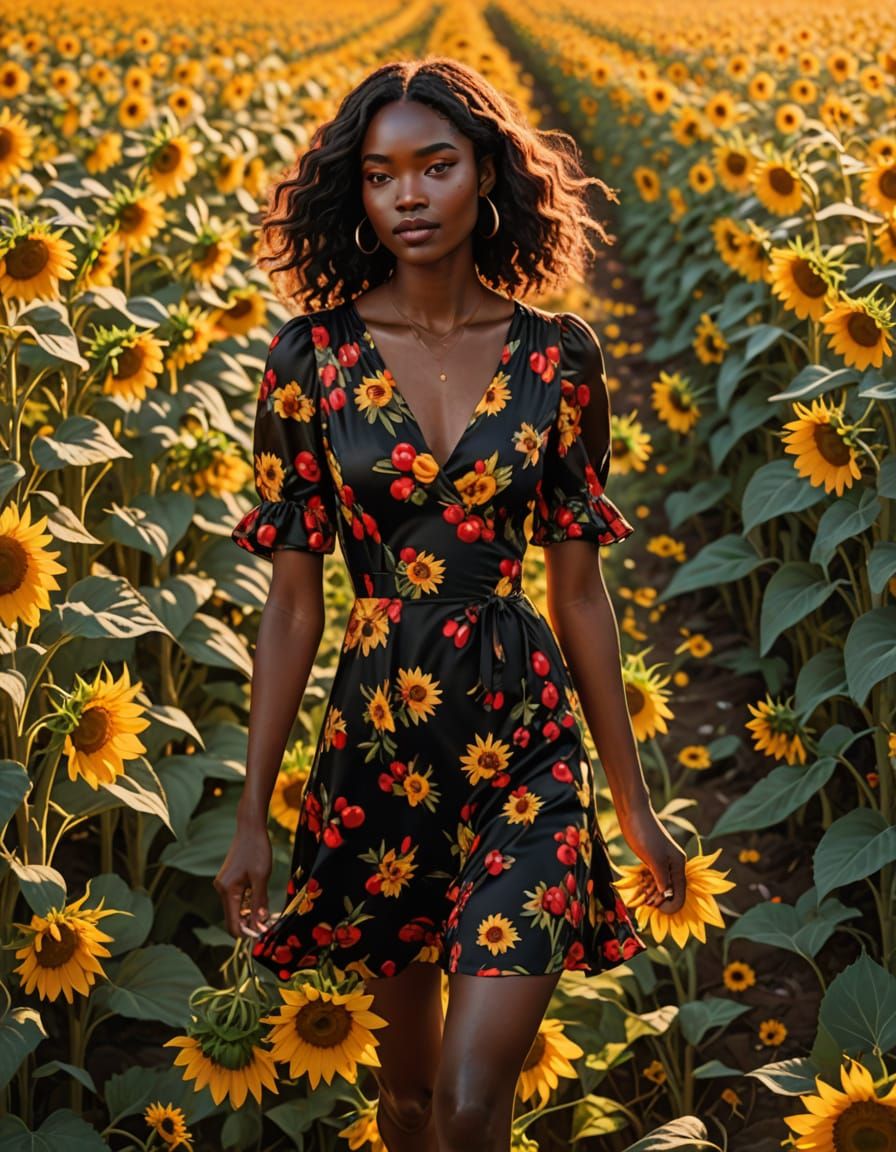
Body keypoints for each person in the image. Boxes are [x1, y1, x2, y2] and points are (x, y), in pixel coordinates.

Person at [214, 56, 687, 1152]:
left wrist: (632, 801)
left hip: (525, 744)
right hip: (378, 751)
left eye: (435, 166)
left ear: (486, 175)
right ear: (357, 194)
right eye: (381, 176)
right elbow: (292, 607)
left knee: (475, 1103)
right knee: (411, 1100)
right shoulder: (308, 359)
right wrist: (251, 817)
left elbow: (579, 595)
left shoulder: (560, 359)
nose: (408, 196)